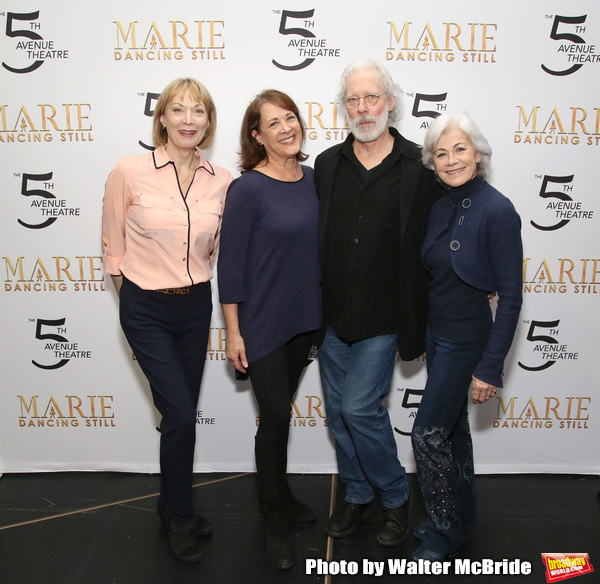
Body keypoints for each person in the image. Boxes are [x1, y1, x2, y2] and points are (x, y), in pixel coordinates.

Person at [101, 78, 232, 563]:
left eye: (197, 111)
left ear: (208, 122)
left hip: (195, 307)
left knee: (181, 416)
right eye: (177, 110)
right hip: (146, 308)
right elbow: (111, 244)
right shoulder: (129, 171)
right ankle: (180, 517)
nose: (187, 120)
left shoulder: (222, 180)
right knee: (179, 413)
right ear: (162, 118)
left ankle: (170, 501)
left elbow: (213, 248)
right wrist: (130, 299)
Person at [314, 60, 442, 547]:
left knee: (359, 408)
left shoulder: (418, 167)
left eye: (371, 98)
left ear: (391, 102)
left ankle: (393, 496)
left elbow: (451, 224)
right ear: (343, 106)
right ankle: (356, 493)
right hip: (330, 317)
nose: (362, 108)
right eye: (353, 99)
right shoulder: (327, 165)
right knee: (337, 415)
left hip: (386, 316)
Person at [411, 112, 523, 560]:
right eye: (441, 153)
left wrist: (490, 367)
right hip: (438, 338)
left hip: (468, 340)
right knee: (454, 434)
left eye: (460, 149)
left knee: (427, 434)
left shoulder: (498, 209)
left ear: (478, 153)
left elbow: (511, 298)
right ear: (432, 162)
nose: (451, 159)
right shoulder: (441, 205)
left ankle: (442, 531)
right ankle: (461, 517)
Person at [217, 90, 321, 570]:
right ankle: (273, 515)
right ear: (256, 136)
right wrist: (233, 333)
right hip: (260, 325)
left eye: (291, 118)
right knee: (276, 418)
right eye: (273, 123)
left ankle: (280, 495)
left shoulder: (316, 181)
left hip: (305, 322)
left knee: (281, 416)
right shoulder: (248, 189)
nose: (286, 128)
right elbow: (230, 268)